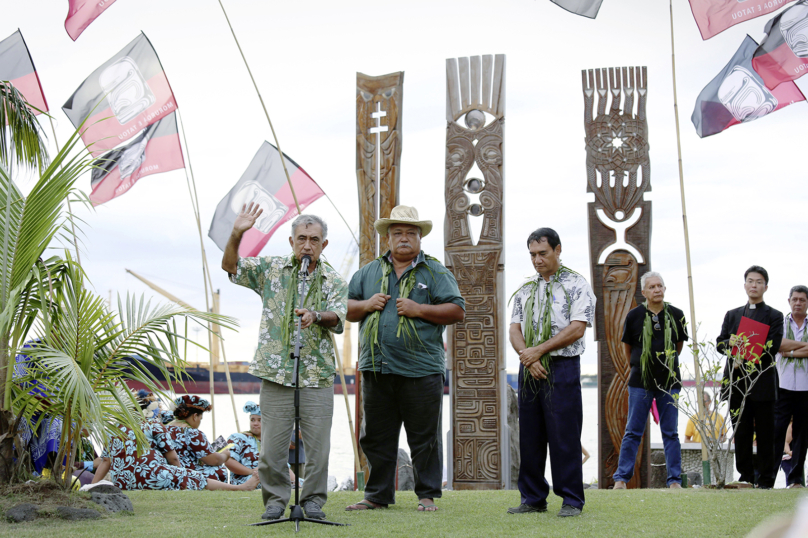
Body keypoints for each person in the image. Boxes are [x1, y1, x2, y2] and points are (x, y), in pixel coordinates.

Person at [223, 206, 347, 521]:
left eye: (314, 239)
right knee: (271, 450)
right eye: (302, 238)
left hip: (316, 375)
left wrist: (315, 315)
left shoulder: (332, 278)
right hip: (275, 372)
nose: (307, 245)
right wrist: (238, 233)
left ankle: (314, 502)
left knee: (318, 450)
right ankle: (276, 502)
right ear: (291, 241)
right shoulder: (271, 269)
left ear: (324, 244)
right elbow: (231, 267)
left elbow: (339, 317)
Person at [344, 205, 465, 513]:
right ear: (387, 238)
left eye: (411, 233)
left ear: (420, 238)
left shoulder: (436, 272)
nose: (404, 238)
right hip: (376, 366)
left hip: (421, 369)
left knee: (424, 437)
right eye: (398, 233)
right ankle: (377, 495)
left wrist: (419, 309)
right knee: (375, 437)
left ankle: (427, 496)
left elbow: (457, 310)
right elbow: (344, 309)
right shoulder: (367, 273)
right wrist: (368, 304)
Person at [507, 227, 595, 518]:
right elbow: (515, 329)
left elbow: (577, 328)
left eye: (542, 253)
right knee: (529, 435)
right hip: (529, 366)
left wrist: (538, 351)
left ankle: (571, 499)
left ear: (558, 250)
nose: (537, 260)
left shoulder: (576, 284)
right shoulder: (526, 288)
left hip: (562, 365)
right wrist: (528, 357)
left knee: (564, 434)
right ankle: (532, 497)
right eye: (532, 254)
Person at [612, 272, 688, 490]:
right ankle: (621, 479)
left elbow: (679, 345)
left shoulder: (676, 314)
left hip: (669, 382)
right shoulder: (634, 316)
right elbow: (627, 347)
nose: (657, 290)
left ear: (665, 289)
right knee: (633, 431)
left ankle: (674, 480)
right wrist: (637, 366)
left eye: (660, 286)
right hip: (640, 382)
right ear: (644, 292)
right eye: (652, 287)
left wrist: (666, 365)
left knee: (670, 432)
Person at [93, 392, 258, 491]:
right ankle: (241, 488)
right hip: (149, 476)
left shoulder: (115, 427)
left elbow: (105, 460)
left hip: (122, 481)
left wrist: (92, 486)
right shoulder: (155, 426)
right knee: (202, 475)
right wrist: (182, 475)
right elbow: (173, 459)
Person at [717, 265, 784, 489]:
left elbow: (771, 348)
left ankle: (766, 480)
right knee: (742, 433)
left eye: (758, 282)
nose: (753, 285)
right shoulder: (733, 314)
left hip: (762, 381)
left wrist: (744, 350)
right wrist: (730, 344)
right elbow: (720, 343)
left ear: (766, 286)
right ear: (744, 284)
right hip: (737, 383)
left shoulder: (774, 316)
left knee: (766, 434)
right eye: (750, 281)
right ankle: (745, 477)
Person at [772, 285, 808, 488]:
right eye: (794, 299)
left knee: (802, 434)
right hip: (783, 385)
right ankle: (769, 477)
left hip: (806, 387)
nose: (798, 303)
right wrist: (802, 347)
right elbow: (778, 345)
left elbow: (786, 348)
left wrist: (791, 350)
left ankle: (795, 479)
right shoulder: (781, 323)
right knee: (777, 431)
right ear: (789, 301)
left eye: (802, 300)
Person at [166, 395, 229, 482]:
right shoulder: (192, 432)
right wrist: (225, 455)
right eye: (200, 418)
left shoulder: (163, 428)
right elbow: (214, 460)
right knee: (219, 470)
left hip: (166, 471)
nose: (200, 422)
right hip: (185, 472)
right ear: (195, 416)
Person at [226, 401, 263, 487]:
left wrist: (296, 481)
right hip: (244, 480)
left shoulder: (271, 441)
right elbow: (228, 460)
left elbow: (284, 466)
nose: (255, 423)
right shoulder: (238, 438)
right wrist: (252, 472)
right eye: (252, 420)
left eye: (259, 420)